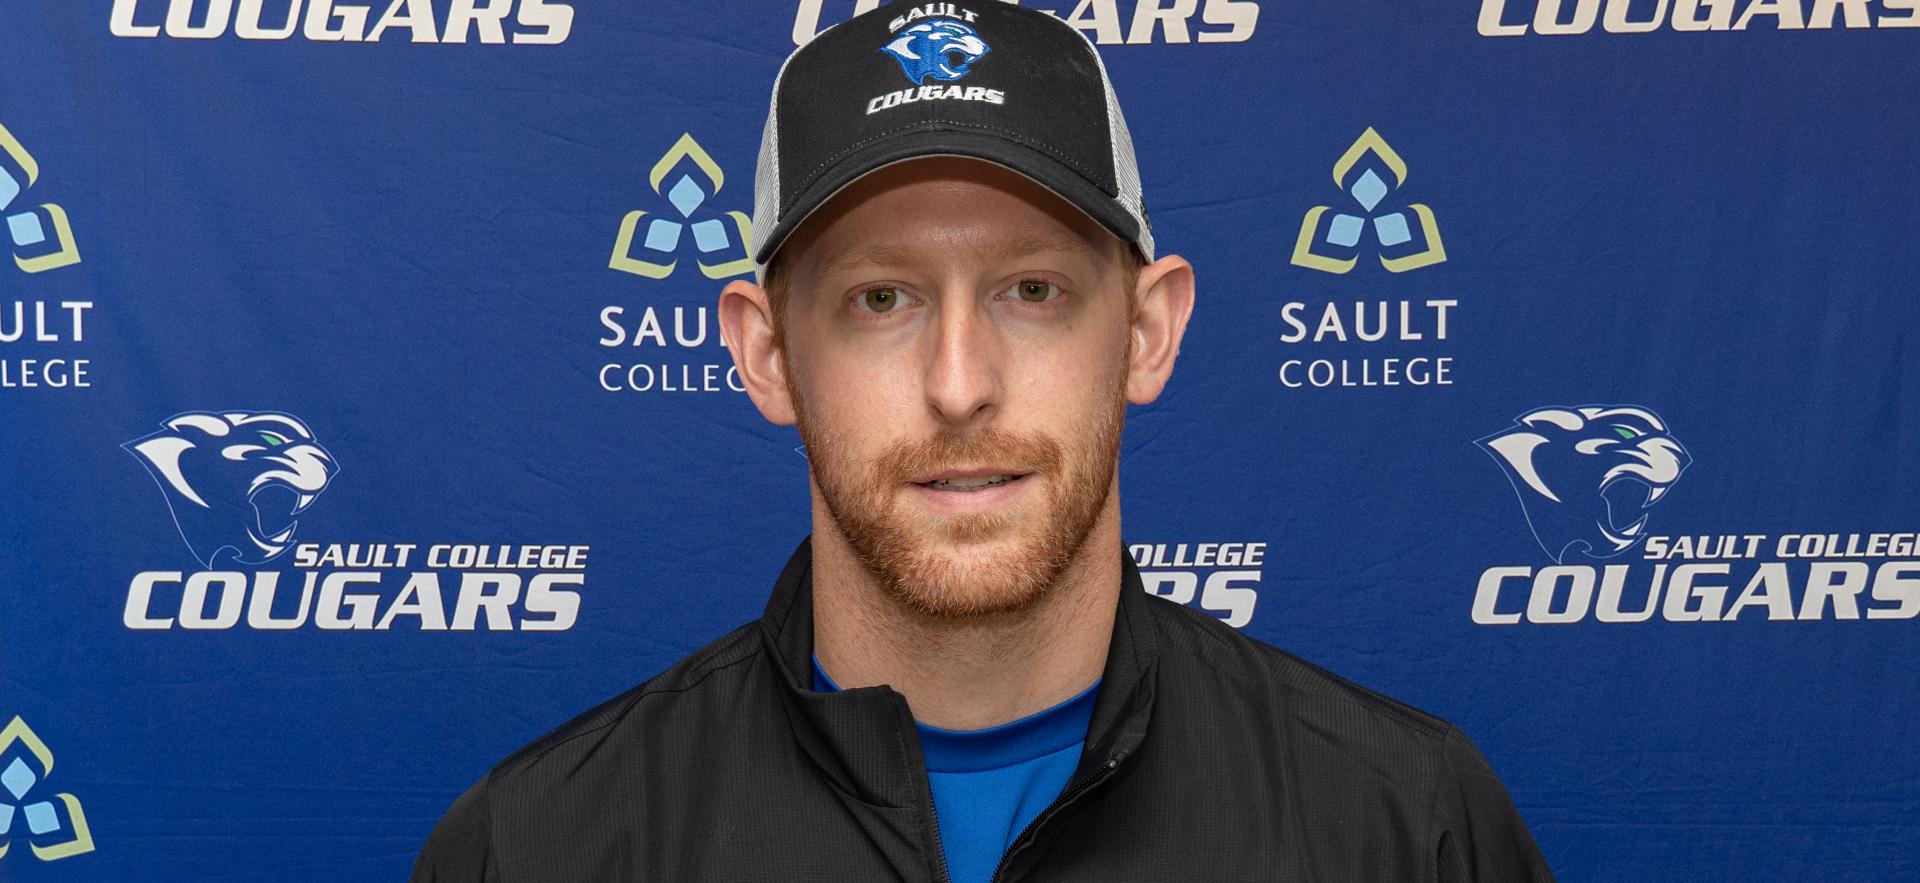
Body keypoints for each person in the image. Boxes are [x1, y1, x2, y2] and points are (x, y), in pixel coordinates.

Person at [413, 3, 1554, 880]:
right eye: (880, 300)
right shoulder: (546, 846)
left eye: (1033, 289)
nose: (961, 386)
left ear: (1149, 332)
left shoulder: (1404, 825)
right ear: (765, 353)